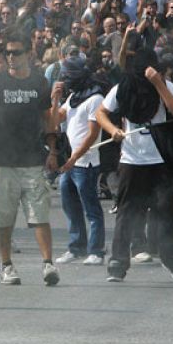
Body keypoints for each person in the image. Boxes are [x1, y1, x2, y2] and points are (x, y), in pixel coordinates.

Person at [0, 30, 60, 286]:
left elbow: (48, 119)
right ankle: (7, 265)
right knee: (2, 217)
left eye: (16, 53)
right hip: (1, 160)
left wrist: (53, 150)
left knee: (39, 215)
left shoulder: (38, 83)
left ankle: (48, 264)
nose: (11, 57)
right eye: (7, 53)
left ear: (29, 54)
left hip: (32, 159)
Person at [95, 49, 173, 282]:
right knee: (127, 212)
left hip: (160, 160)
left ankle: (170, 256)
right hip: (132, 161)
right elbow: (101, 113)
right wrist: (113, 130)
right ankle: (118, 261)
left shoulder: (166, 85)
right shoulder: (124, 88)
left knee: (166, 212)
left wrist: (158, 83)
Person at [50, 58, 106, 266]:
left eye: (67, 76)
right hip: (72, 164)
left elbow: (92, 135)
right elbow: (55, 120)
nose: (65, 80)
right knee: (70, 205)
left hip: (87, 163)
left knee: (91, 208)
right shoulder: (73, 97)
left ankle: (96, 251)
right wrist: (54, 99)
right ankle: (76, 247)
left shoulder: (95, 98)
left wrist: (74, 158)